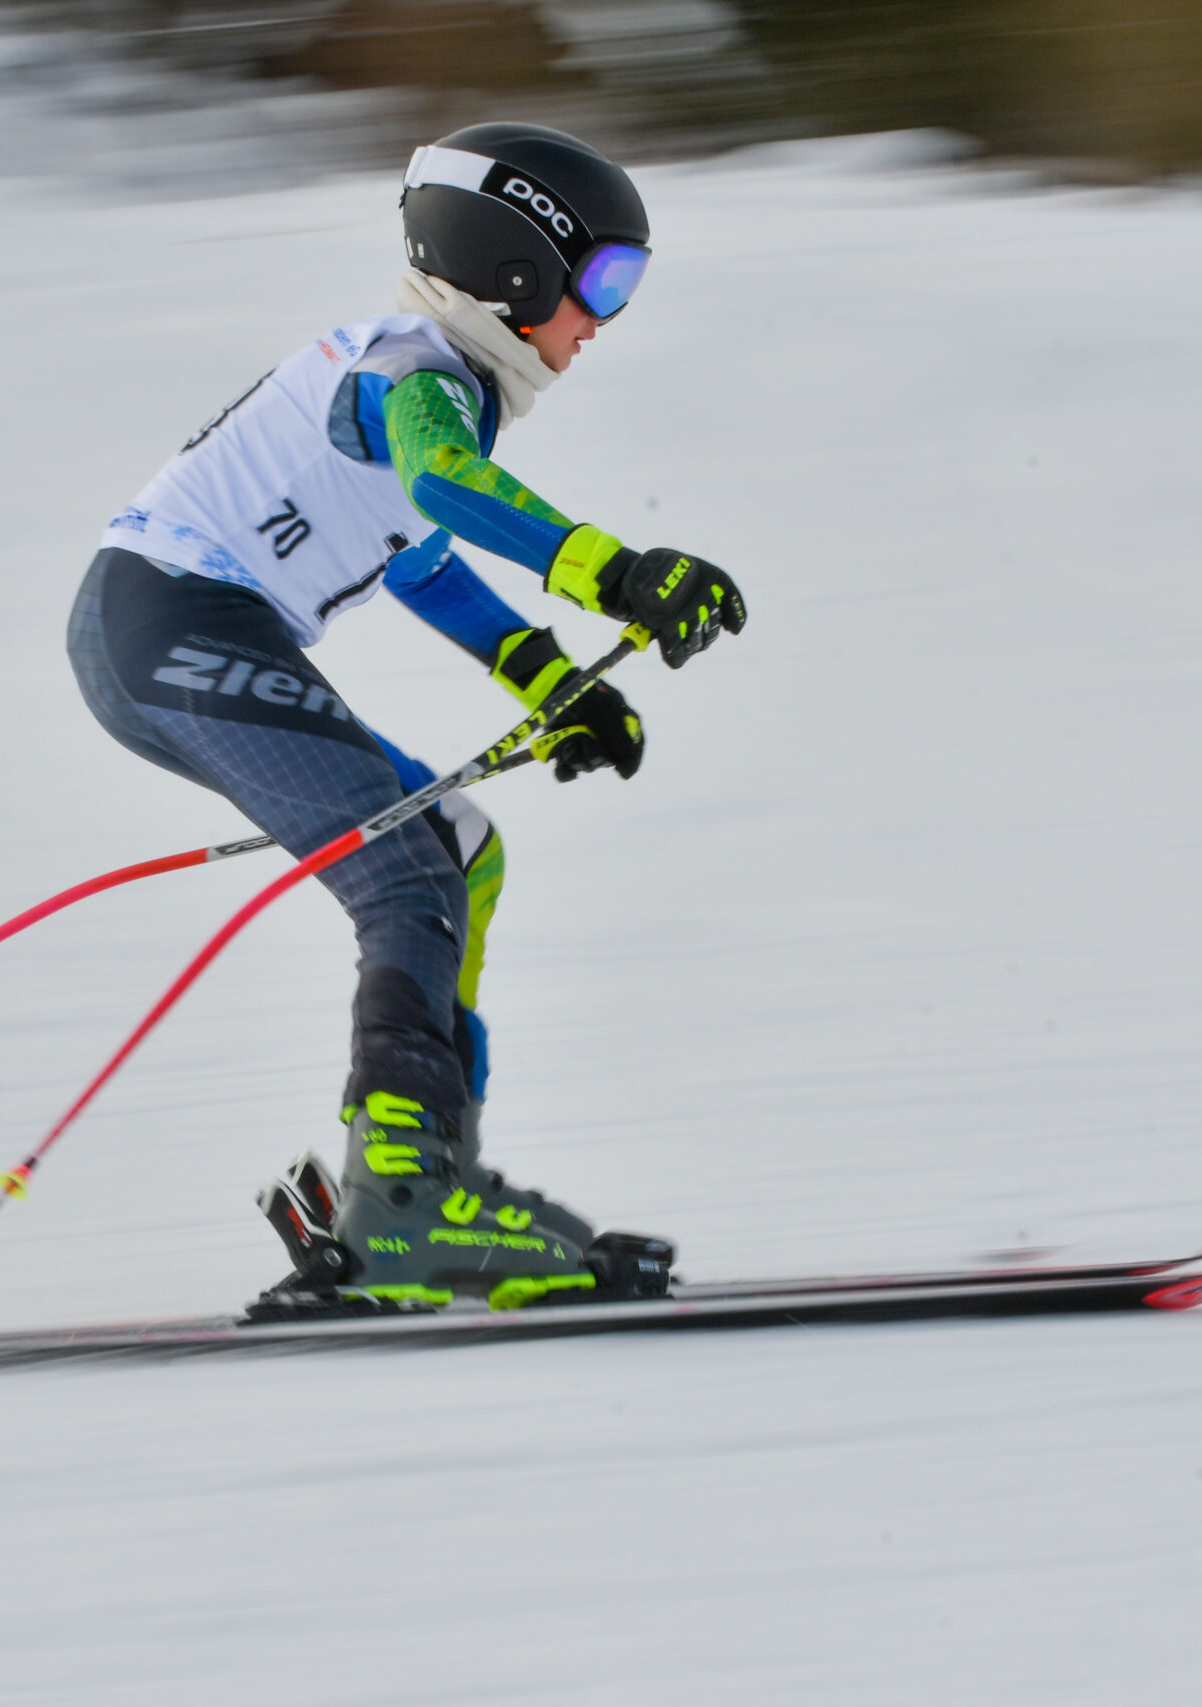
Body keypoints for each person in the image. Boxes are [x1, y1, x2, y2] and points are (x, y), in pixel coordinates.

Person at [65, 122, 746, 1309]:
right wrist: (616, 572)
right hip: (172, 624)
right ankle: (406, 1211)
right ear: (515, 272)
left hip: (165, 630)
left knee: (455, 850)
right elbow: (444, 487)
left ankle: (409, 1187)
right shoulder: (418, 374)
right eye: (602, 282)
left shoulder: (424, 375)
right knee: (406, 879)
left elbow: (418, 549)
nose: (603, 322)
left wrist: (551, 682)